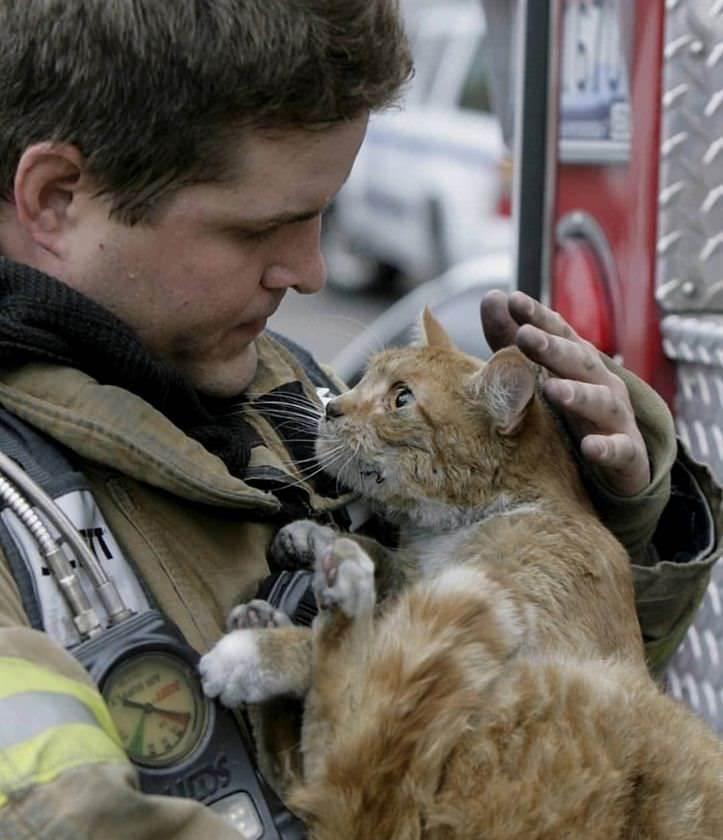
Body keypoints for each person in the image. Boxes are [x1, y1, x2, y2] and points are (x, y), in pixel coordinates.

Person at [0, 2, 717, 838]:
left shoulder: (283, 392)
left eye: (321, 217)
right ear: (55, 198)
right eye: (262, 228)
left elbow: (505, 748)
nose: (311, 271)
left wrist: (587, 523)